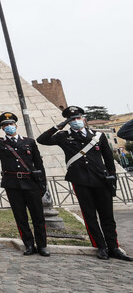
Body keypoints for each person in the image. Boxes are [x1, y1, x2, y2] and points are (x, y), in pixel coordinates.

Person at [37, 106, 131, 261]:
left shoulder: (98, 135)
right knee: (90, 216)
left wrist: (112, 176)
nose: (76, 122)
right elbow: (42, 140)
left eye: (78, 118)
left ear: (84, 119)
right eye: (72, 120)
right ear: (68, 122)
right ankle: (100, 246)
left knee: (107, 216)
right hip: (80, 180)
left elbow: (108, 158)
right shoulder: (63, 136)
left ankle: (114, 247)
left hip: (101, 179)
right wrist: (58, 126)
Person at [0, 112, 49, 257]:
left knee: (38, 216)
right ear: (2, 128)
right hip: (13, 184)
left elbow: (39, 164)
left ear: (16, 125)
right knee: (20, 216)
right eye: (5, 125)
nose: (9, 127)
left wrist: (43, 183)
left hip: (31, 183)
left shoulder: (29, 142)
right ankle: (29, 244)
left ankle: (42, 246)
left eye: (11, 124)